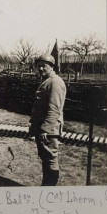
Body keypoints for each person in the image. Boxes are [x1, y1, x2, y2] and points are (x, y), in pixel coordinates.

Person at [29, 53, 67, 186]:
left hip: (49, 129)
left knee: (51, 159)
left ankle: (49, 189)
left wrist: (45, 129)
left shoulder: (55, 82)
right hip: (44, 127)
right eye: (38, 66)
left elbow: (54, 109)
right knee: (45, 158)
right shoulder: (46, 80)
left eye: (43, 66)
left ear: (51, 66)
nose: (40, 69)